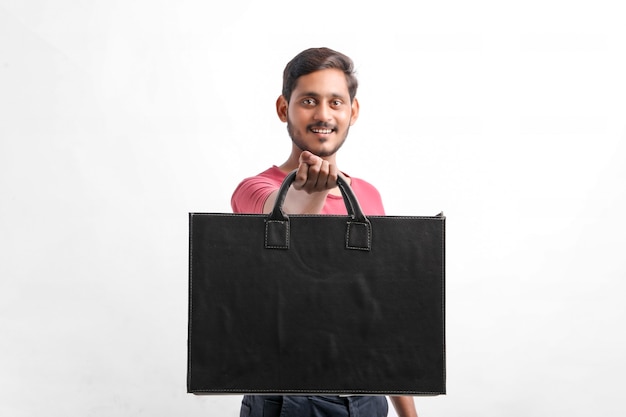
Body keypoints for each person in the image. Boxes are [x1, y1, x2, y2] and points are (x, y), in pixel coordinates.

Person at [231, 47, 419, 417]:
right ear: (284, 109)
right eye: (308, 101)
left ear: (353, 111)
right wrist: (309, 195)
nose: (323, 114)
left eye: (336, 102)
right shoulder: (254, 190)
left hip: (367, 398)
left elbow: (381, 317)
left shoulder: (367, 196)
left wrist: (408, 414)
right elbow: (281, 213)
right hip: (288, 399)